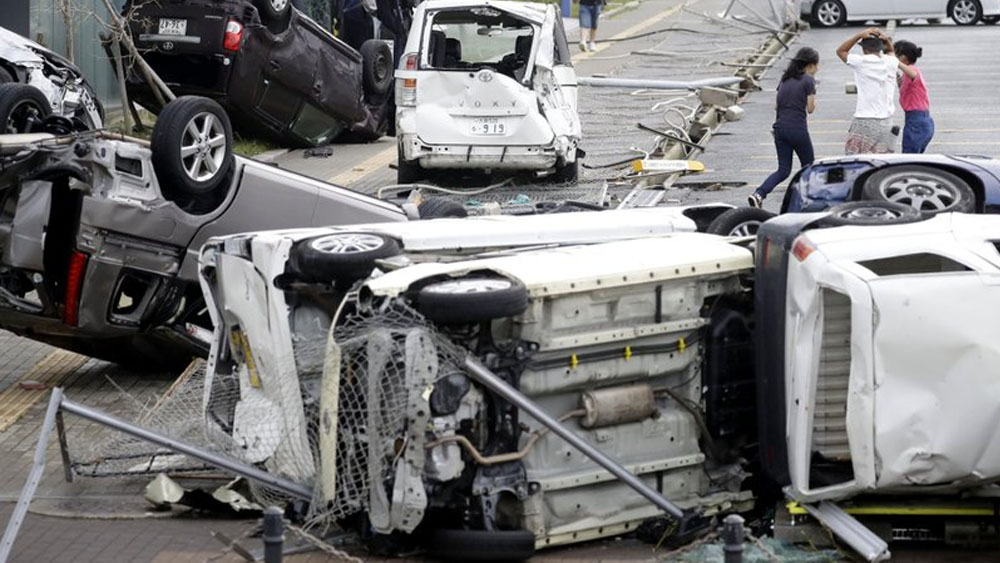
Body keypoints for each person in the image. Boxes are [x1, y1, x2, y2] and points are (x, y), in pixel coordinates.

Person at [748, 47, 820, 208]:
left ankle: (759, 194)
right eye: (817, 65)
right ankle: (807, 199)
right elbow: (810, 109)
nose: (818, 68)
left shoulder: (785, 79)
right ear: (810, 65)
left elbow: (777, 106)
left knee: (783, 170)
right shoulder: (809, 80)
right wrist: (814, 98)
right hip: (797, 129)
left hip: (780, 129)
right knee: (809, 166)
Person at [836, 27, 915, 155]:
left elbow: (841, 51)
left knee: (854, 160)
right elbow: (890, 51)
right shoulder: (891, 61)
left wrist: (858, 35)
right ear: (880, 48)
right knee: (881, 161)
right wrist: (886, 40)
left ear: (864, 49)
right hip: (886, 122)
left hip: (865, 120)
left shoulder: (861, 61)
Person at [894, 40, 934, 153]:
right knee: (915, 158)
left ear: (903, 57)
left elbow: (912, 74)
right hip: (920, 120)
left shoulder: (912, 70)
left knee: (908, 158)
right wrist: (900, 84)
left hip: (917, 121)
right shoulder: (907, 74)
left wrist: (894, 62)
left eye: (896, 54)